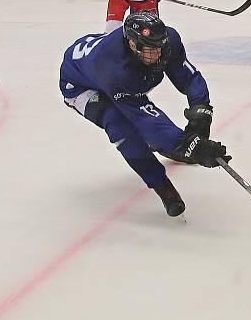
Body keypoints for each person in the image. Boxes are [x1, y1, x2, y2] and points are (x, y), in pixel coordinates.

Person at [59, 12, 230, 217]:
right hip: (79, 85)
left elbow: (189, 77)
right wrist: (188, 144)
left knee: (151, 130)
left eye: (160, 47)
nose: (158, 54)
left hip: (101, 69)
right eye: (150, 50)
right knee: (122, 129)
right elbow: (145, 118)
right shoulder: (115, 70)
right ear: (132, 44)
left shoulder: (167, 41)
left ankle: (165, 145)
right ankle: (161, 185)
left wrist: (200, 112)